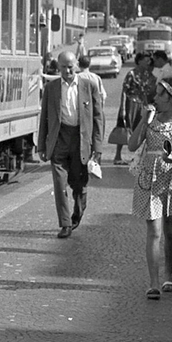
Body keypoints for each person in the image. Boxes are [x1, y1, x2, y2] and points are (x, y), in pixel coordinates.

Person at [127, 78, 172, 299]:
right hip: (150, 178)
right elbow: (132, 145)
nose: (154, 98)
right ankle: (154, 282)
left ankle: (169, 274)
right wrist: (144, 121)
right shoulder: (151, 120)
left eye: (160, 94)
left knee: (170, 231)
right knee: (154, 231)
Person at [38, 50, 105, 238]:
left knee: (79, 184)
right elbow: (44, 118)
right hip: (59, 139)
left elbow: (98, 118)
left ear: (76, 65)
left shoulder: (88, 85)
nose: (67, 71)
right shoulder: (51, 88)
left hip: (80, 139)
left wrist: (97, 148)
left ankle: (78, 210)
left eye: (70, 67)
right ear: (58, 67)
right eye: (63, 68)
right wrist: (41, 146)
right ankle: (65, 224)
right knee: (60, 184)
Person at [113, 52, 156, 165]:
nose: (148, 63)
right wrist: (122, 108)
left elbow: (147, 92)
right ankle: (117, 155)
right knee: (124, 127)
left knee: (140, 128)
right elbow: (124, 91)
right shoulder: (131, 74)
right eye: (146, 60)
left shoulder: (147, 75)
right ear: (139, 60)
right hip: (130, 103)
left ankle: (138, 156)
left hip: (141, 104)